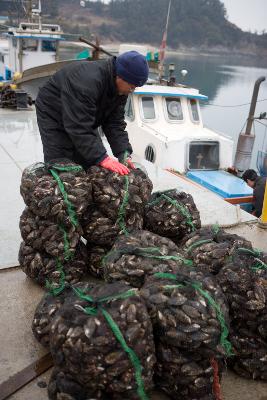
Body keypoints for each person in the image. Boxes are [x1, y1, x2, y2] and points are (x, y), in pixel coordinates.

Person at [35, 51, 149, 175]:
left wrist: (123, 152)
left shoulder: (120, 90)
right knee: (62, 163)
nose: (132, 91)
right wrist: (102, 158)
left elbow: (114, 123)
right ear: (120, 75)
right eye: (132, 86)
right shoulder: (87, 82)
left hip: (82, 113)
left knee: (87, 160)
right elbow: (78, 126)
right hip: (53, 111)